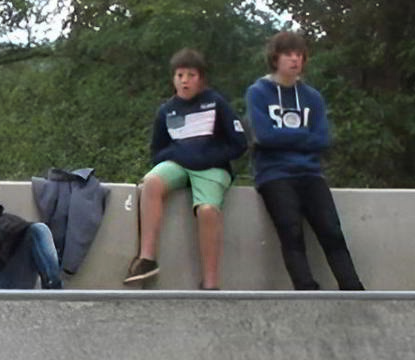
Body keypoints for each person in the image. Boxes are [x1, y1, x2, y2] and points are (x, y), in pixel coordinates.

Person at [246, 31, 364, 291]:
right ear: (275, 58)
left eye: (299, 55)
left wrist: (285, 137)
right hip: (274, 174)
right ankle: (306, 289)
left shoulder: (312, 97)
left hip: (310, 173)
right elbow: (263, 136)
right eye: (288, 54)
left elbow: (322, 139)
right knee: (291, 231)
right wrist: (303, 136)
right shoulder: (258, 92)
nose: (294, 60)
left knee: (331, 230)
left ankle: (353, 288)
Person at [125, 49, 247, 289]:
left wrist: (207, 157)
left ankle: (210, 282)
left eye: (191, 75)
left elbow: (239, 144)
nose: (184, 80)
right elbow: (157, 152)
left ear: (201, 79)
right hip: (179, 166)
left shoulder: (216, 103)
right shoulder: (166, 111)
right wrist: (179, 155)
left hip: (212, 168)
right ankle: (147, 258)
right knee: (151, 182)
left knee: (208, 211)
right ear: (173, 79)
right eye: (180, 75)